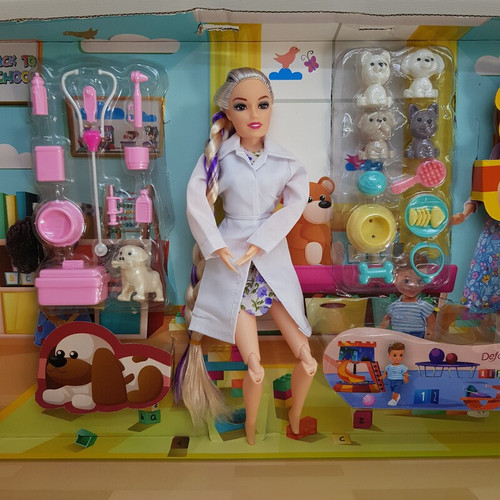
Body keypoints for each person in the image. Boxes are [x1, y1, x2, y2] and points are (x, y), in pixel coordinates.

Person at [178, 67, 317, 445]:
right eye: (242, 106)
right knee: (254, 368)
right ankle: (251, 427)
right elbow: (196, 199)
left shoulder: (286, 161)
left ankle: (295, 413)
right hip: (232, 260)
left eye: (263, 104)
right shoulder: (218, 158)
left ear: (272, 107)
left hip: (271, 260)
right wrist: (216, 243)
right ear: (227, 112)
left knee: (308, 360)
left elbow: (296, 203)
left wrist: (266, 236)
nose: (254, 114)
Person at [378, 259, 436, 339]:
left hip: (417, 336)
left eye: (420, 281)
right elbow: (387, 319)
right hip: (398, 335)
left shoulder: (423, 306)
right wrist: (381, 328)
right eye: (406, 281)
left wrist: (431, 333)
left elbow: (431, 323)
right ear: (394, 279)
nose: (413, 286)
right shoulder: (394, 306)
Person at [381, 341, 409, 406]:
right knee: (393, 390)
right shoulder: (388, 366)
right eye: (394, 355)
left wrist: (406, 377)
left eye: (401, 355)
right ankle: (396, 396)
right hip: (390, 380)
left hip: (398, 380)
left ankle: (394, 400)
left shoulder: (402, 367)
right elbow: (386, 372)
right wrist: (382, 377)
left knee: (396, 390)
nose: (398, 358)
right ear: (389, 356)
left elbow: (406, 372)